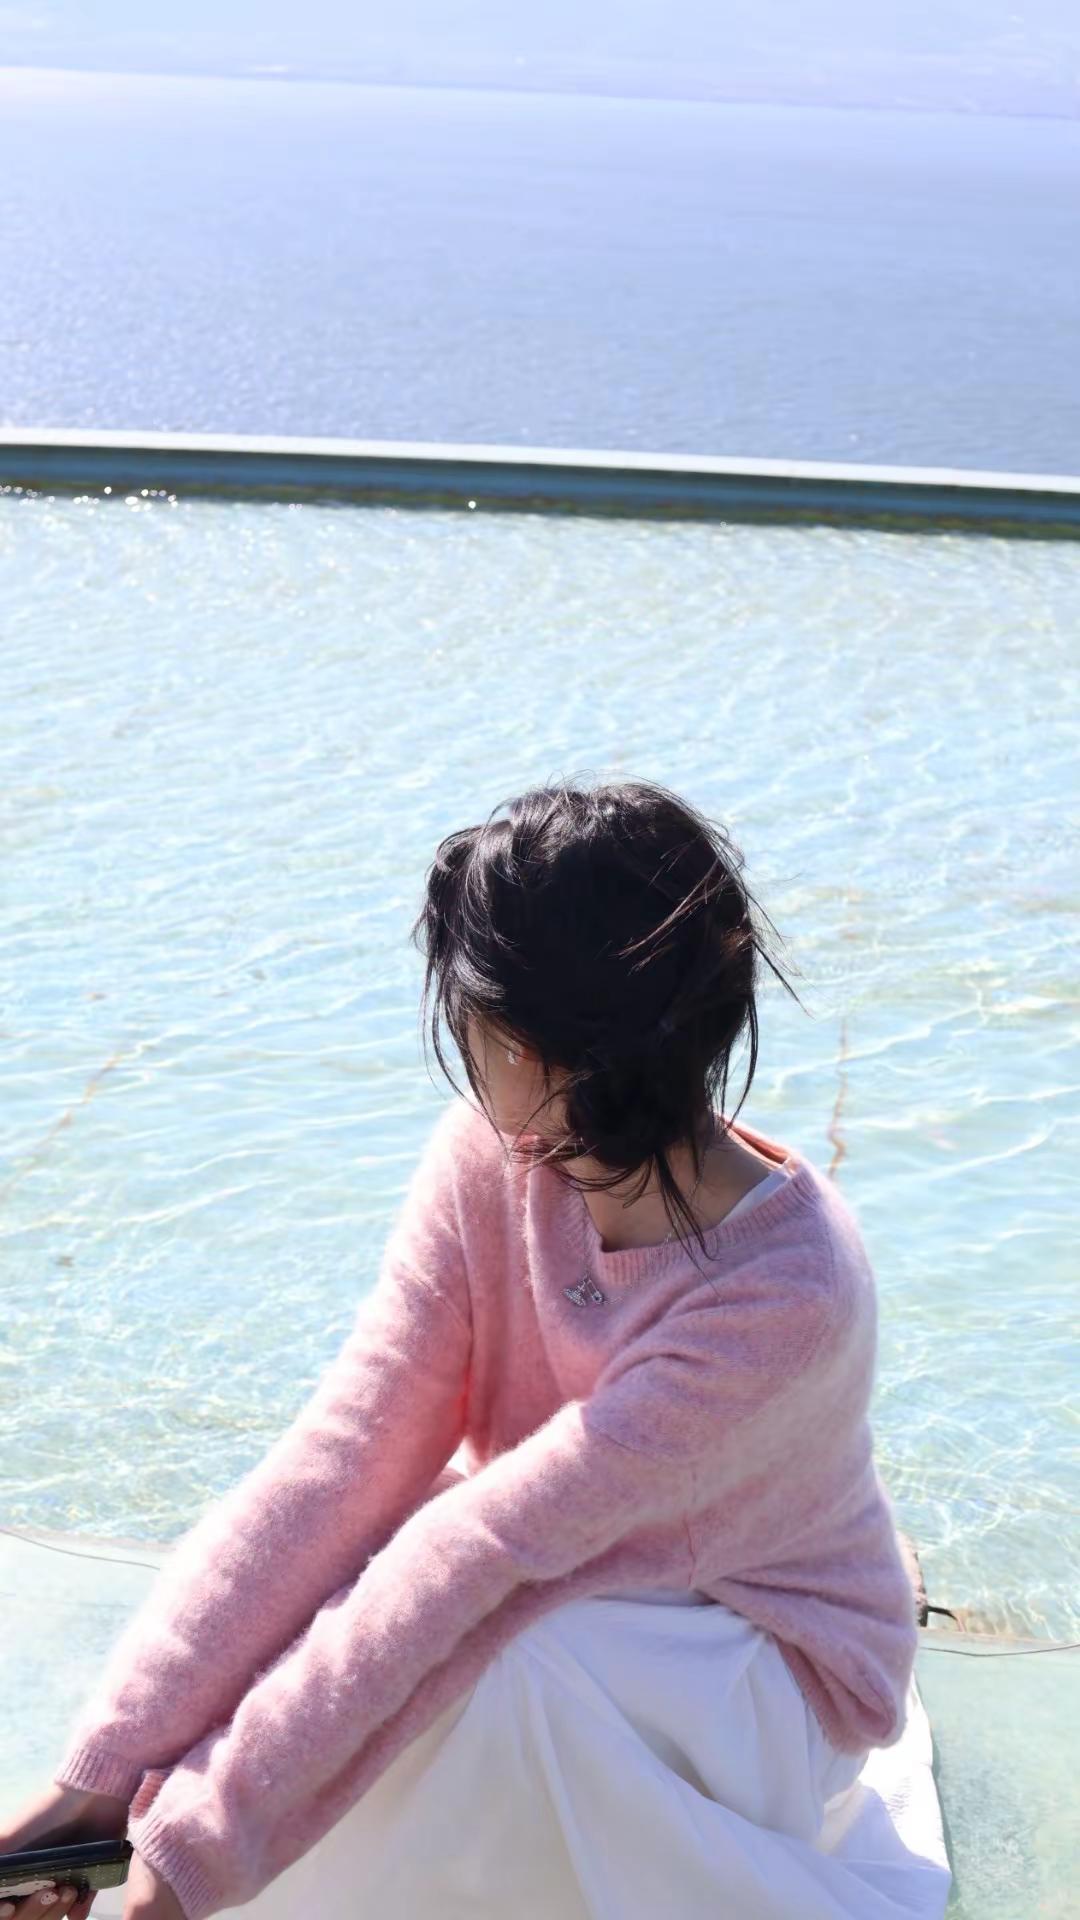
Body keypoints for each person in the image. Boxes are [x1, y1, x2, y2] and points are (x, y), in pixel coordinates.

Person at [1, 776, 950, 1920]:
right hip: (572, 1584)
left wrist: (201, 1841)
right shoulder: (491, 1159)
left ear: (541, 1044)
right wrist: (103, 1770)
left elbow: (486, 1556)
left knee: (495, 1665)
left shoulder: (786, 1294)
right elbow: (345, 1457)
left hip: (763, 1664)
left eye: (474, 1017)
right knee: (376, 1575)